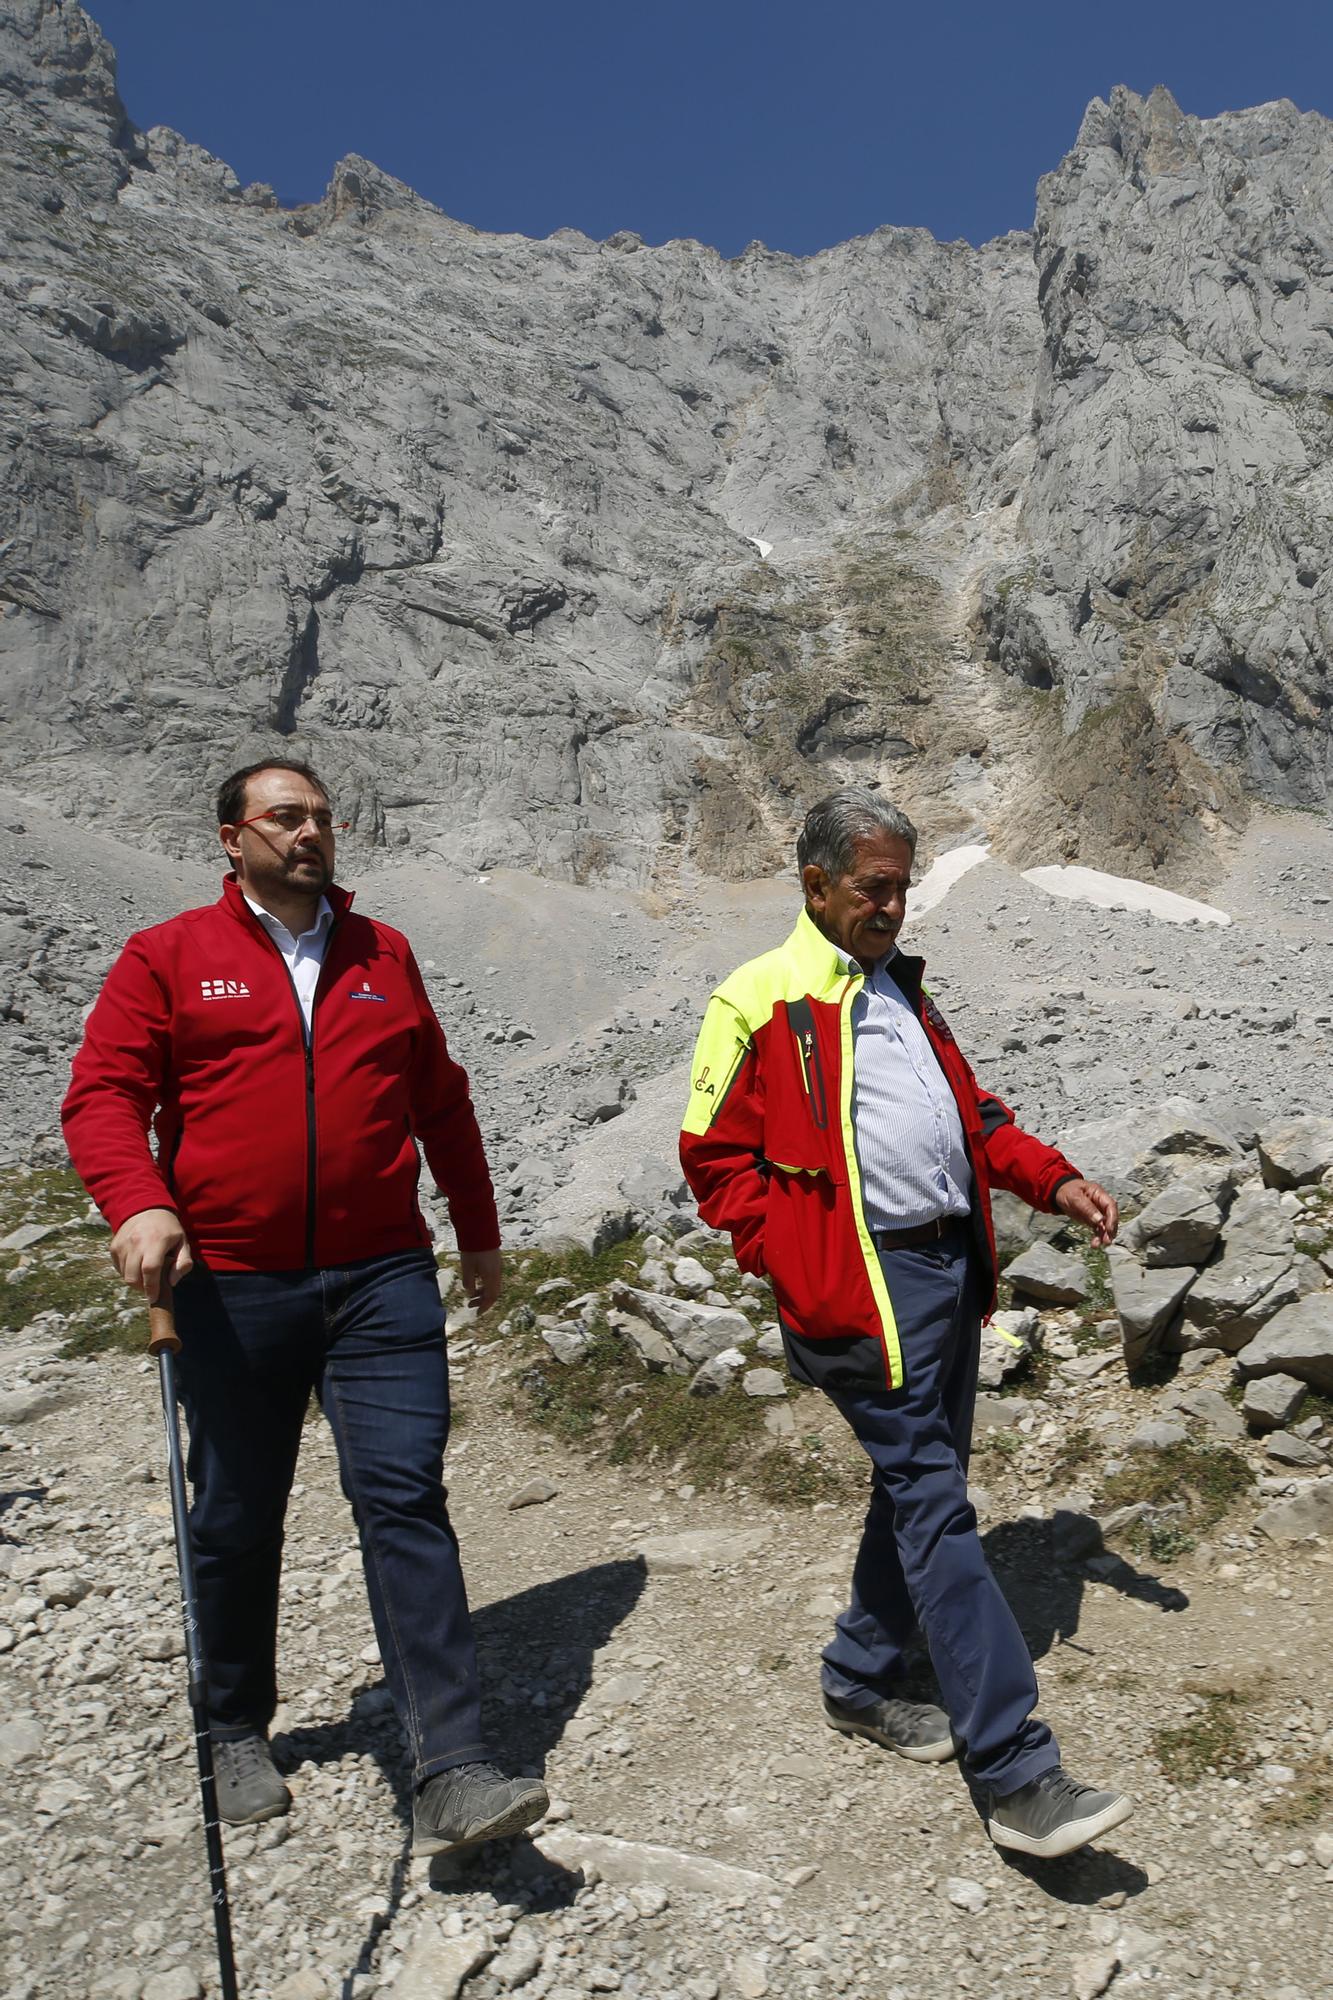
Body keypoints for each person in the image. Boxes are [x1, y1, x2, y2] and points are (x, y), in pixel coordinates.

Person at [62, 757, 547, 1854]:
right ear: (232, 837)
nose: (311, 832)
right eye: (285, 817)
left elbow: (441, 1097)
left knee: (403, 1498)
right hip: (229, 1283)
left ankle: (453, 1766)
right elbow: (100, 1094)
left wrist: (476, 1229)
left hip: (380, 1274)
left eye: (322, 816)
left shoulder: (384, 954)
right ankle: (232, 1724)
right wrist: (139, 1202)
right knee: (235, 1513)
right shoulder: (169, 955)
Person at [679, 786, 1131, 1860]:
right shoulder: (758, 997)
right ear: (816, 883)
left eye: (901, 887)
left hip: (941, 1272)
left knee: (916, 1485)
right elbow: (710, 1158)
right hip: (854, 1286)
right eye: (873, 887)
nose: (891, 906)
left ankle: (859, 1676)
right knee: (934, 1503)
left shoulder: (900, 991)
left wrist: (1050, 1180)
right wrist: (793, 1257)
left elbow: (972, 1118)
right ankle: (1017, 1773)